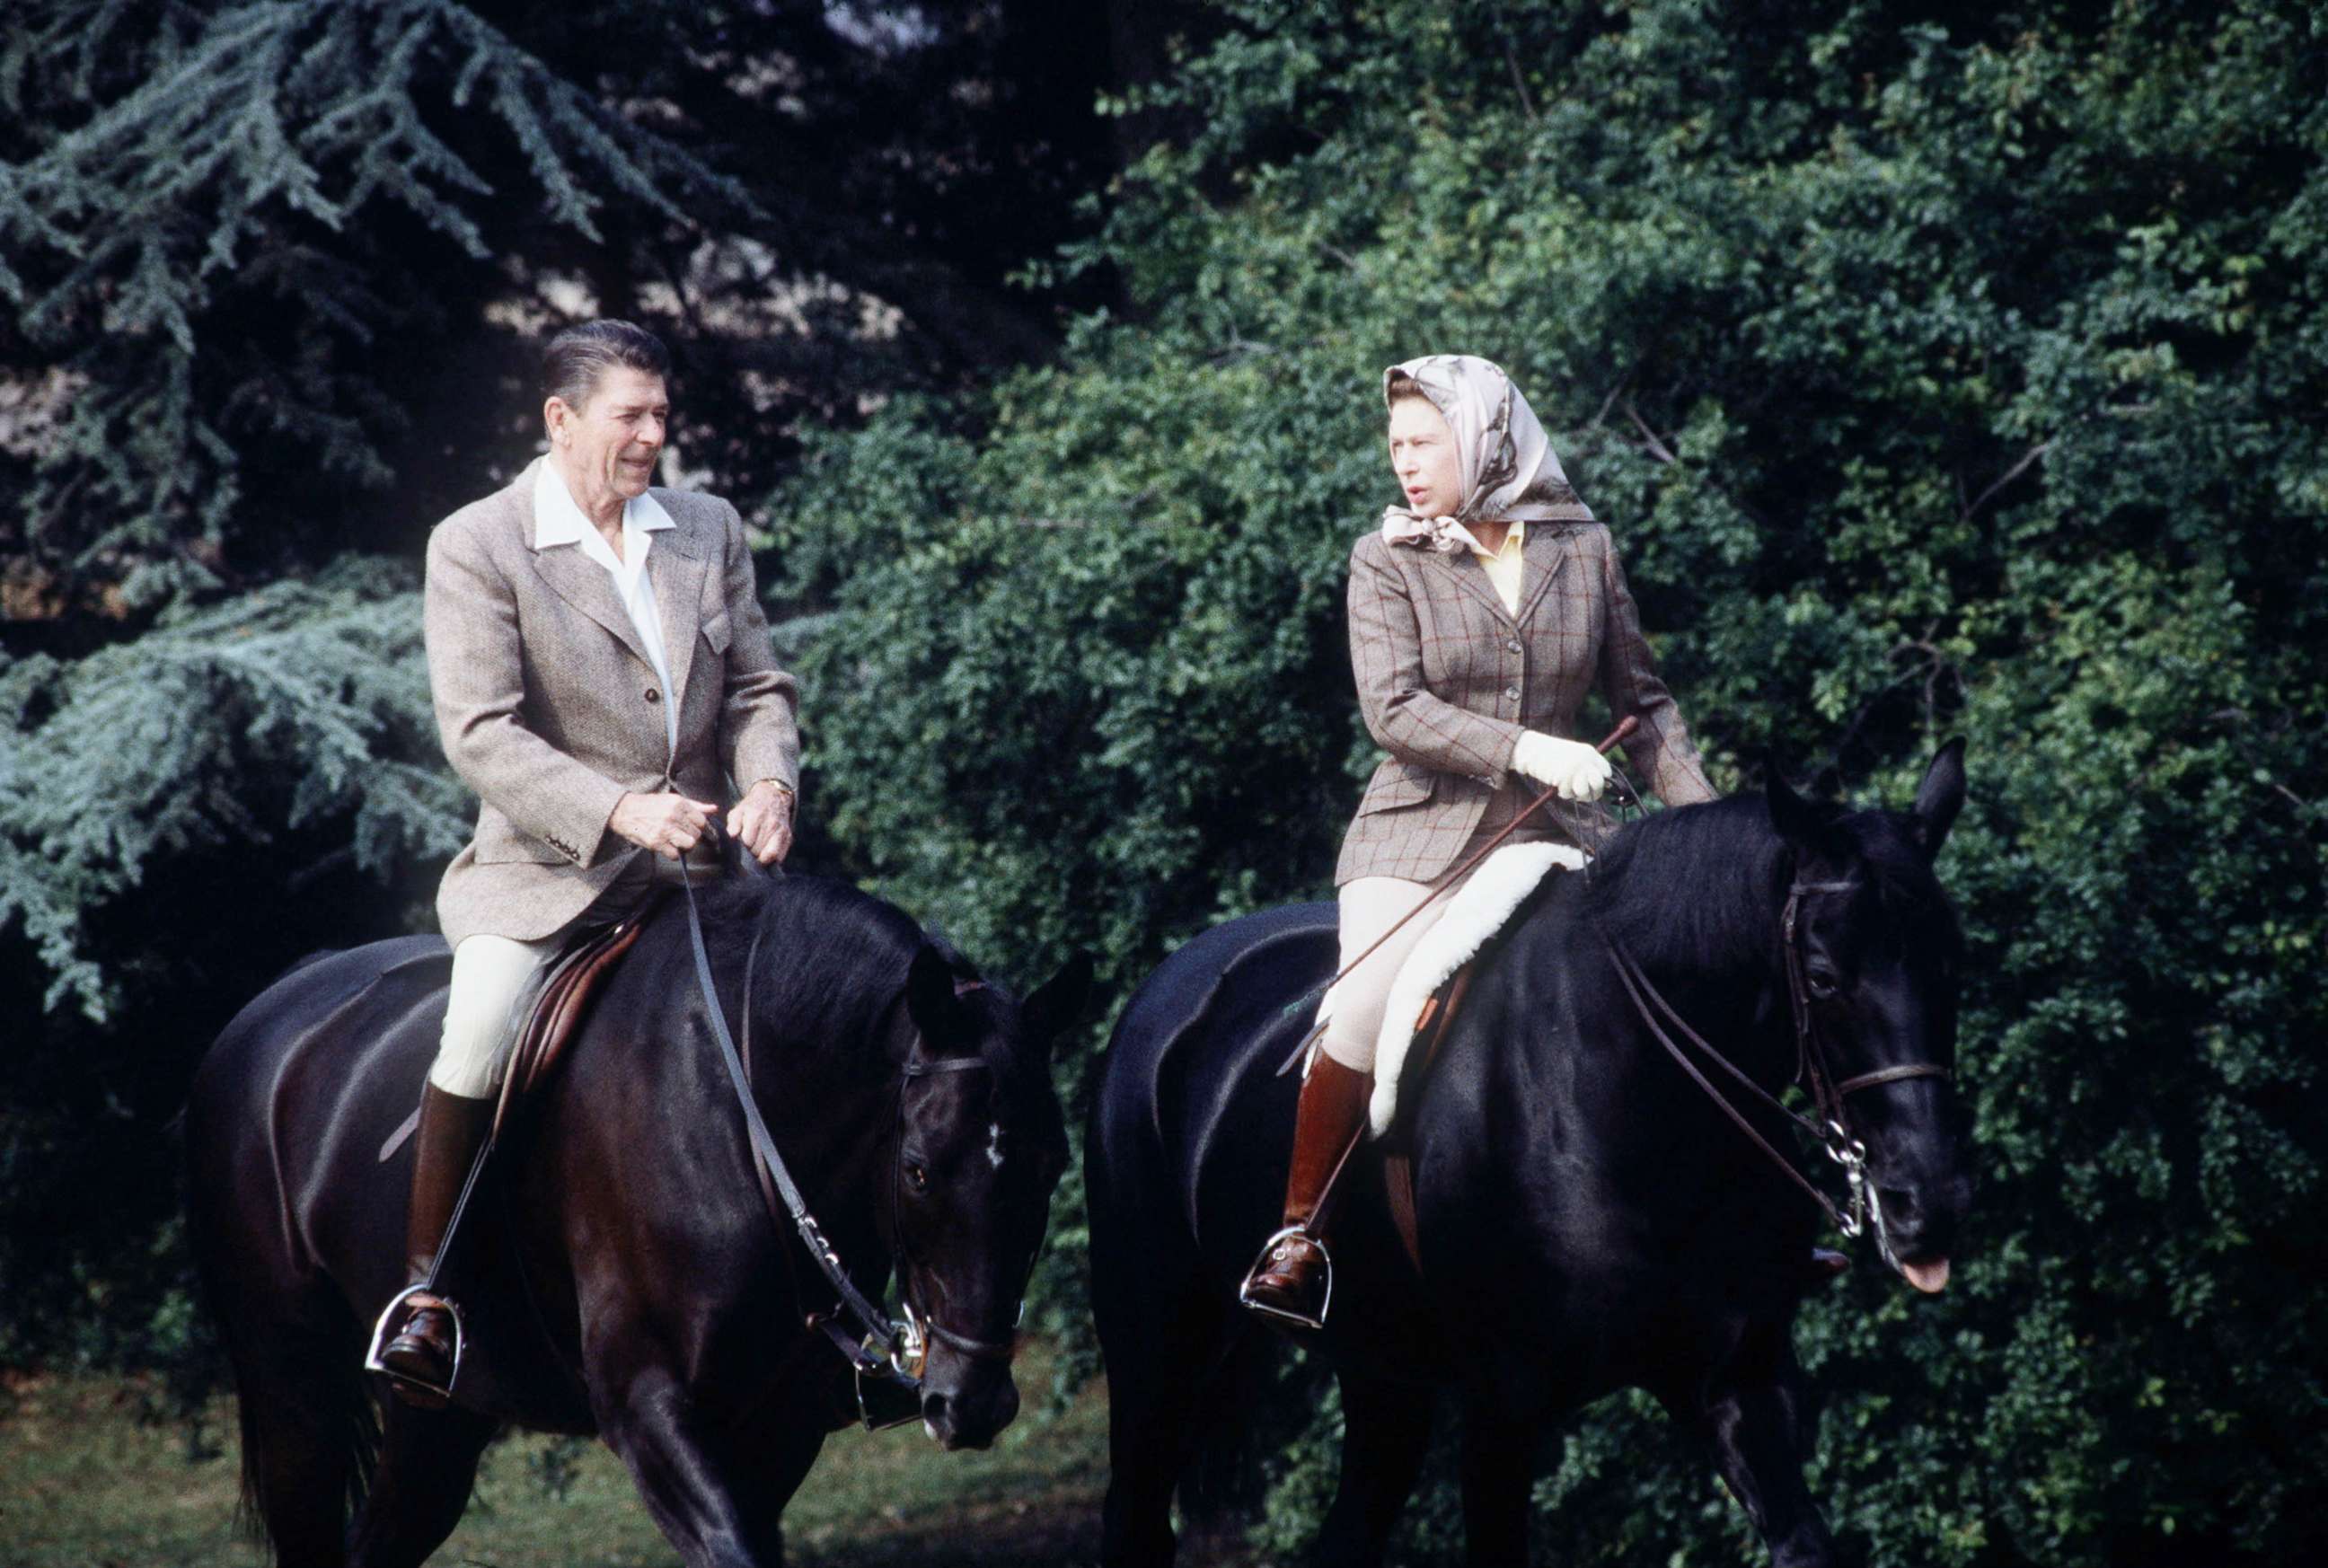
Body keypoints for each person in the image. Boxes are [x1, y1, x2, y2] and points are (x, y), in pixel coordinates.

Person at [1239, 354, 1718, 1328]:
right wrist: (1532, 746)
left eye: (1423, 443)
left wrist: (1703, 831)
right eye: (1396, 448)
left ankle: (1740, 1215)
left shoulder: (1580, 546)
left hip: (1567, 829)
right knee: (1364, 1003)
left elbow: (1648, 702)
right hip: (1423, 830)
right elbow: (1396, 709)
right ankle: (1300, 1235)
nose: (1405, 465)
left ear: (1484, 438)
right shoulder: (1388, 557)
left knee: (1695, 972)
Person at [374, 320, 801, 1400]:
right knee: (477, 1034)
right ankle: (428, 1299)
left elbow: (757, 690)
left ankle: (840, 1317)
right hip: (547, 880)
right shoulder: (478, 542)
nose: (656, 434)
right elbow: (480, 731)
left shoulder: (707, 529)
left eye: (663, 414)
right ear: (561, 420)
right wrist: (617, 809)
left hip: (708, 875)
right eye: (633, 415)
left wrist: (770, 785)